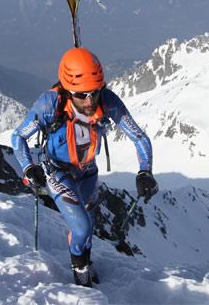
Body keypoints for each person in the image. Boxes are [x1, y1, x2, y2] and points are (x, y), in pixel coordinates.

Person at [11, 47, 158, 287]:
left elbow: (139, 137)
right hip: (57, 170)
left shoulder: (108, 102)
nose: (89, 100)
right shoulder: (50, 105)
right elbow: (18, 137)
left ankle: (85, 263)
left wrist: (145, 171)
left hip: (88, 172)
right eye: (82, 94)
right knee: (81, 227)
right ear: (68, 91)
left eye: (95, 92)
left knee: (88, 228)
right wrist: (29, 168)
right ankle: (80, 273)